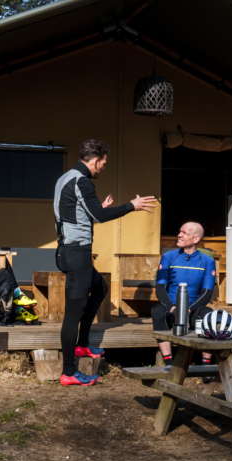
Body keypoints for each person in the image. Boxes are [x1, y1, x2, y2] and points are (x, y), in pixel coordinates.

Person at [53, 139, 156, 387]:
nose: (104, 168)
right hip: (75, 253)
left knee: (100, 288)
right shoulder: (82, 180)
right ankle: (69, 372)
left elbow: (82, 212)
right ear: (95, 160)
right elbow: (99, 215)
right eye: (104, 164)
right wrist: (131, 206)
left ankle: (83, 345)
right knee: (72, 315)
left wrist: (100, 208)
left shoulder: (66, 177)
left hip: (70, 250)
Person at [151, 222, 217, 365]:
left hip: (192, 311)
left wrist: (188, 310)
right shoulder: (169, 256)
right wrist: (171, 307)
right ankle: (169, 362)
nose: (179, 235)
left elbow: (207, 293)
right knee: (157, 310)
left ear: (196, 239)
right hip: (172, 310)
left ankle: (206, 366)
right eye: (180, 231)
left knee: (208, 314)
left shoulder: (207, 261)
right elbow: (160, 288)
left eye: (184, 233)